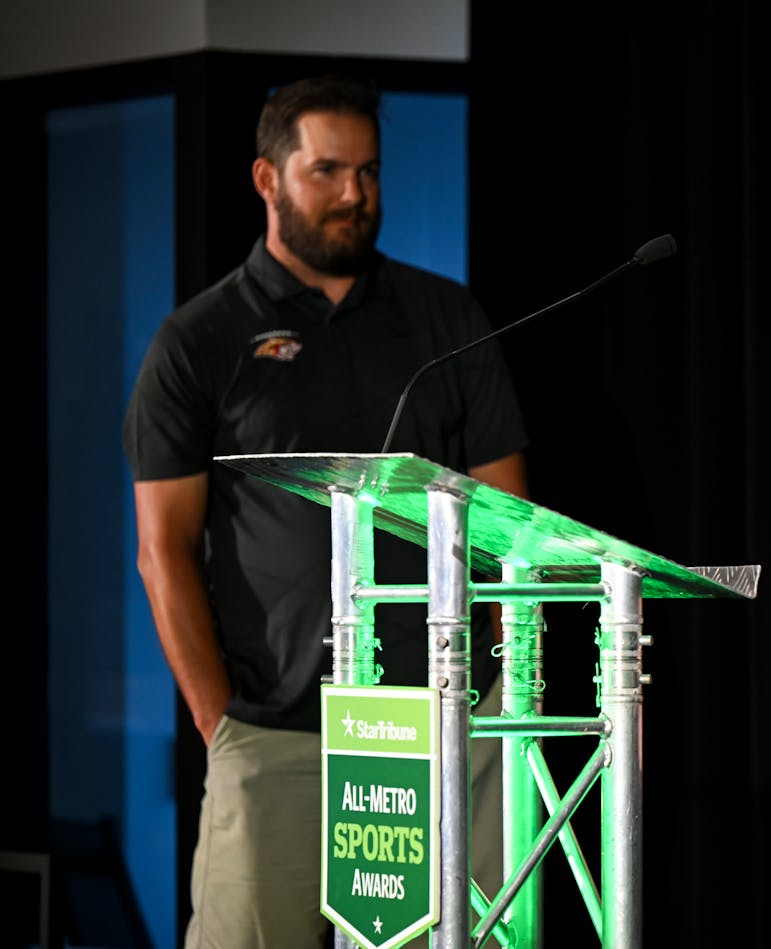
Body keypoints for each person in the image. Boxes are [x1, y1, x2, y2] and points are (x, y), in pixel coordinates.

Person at [122, 74, 528, 948]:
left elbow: (511, 523)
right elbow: (164, 547)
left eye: (371, 173)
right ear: (267, 179)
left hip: (441, 726)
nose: (356, 194)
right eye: (329, 171)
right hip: (273, 733)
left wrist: (492, 692)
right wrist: (217, 718)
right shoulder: (199, 340)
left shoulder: (446, 318)